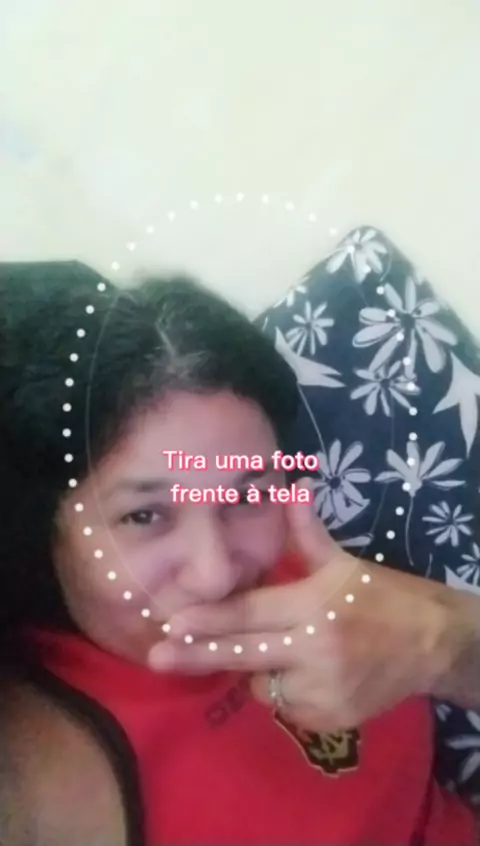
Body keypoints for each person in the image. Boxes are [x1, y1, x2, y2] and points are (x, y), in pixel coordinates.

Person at [0, 260, 478, 846]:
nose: (217, 573)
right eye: (143, 515)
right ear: (45, 532)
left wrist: (443, 648)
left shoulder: (314, 563)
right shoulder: (40, 751)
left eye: (248, 493)